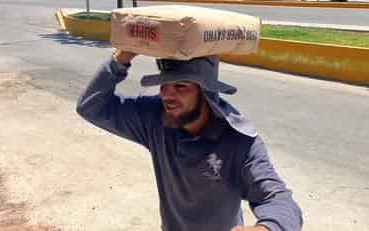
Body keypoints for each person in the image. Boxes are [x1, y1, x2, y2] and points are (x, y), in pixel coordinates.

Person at [76, 50, 303, 231]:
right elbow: (91, 107)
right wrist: (122, 57)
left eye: (181, 86)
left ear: (205, 92)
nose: (167, 95)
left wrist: (266, 228)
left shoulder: (239, 142)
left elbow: (279, 200)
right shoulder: (156, 117)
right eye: (164, 84)